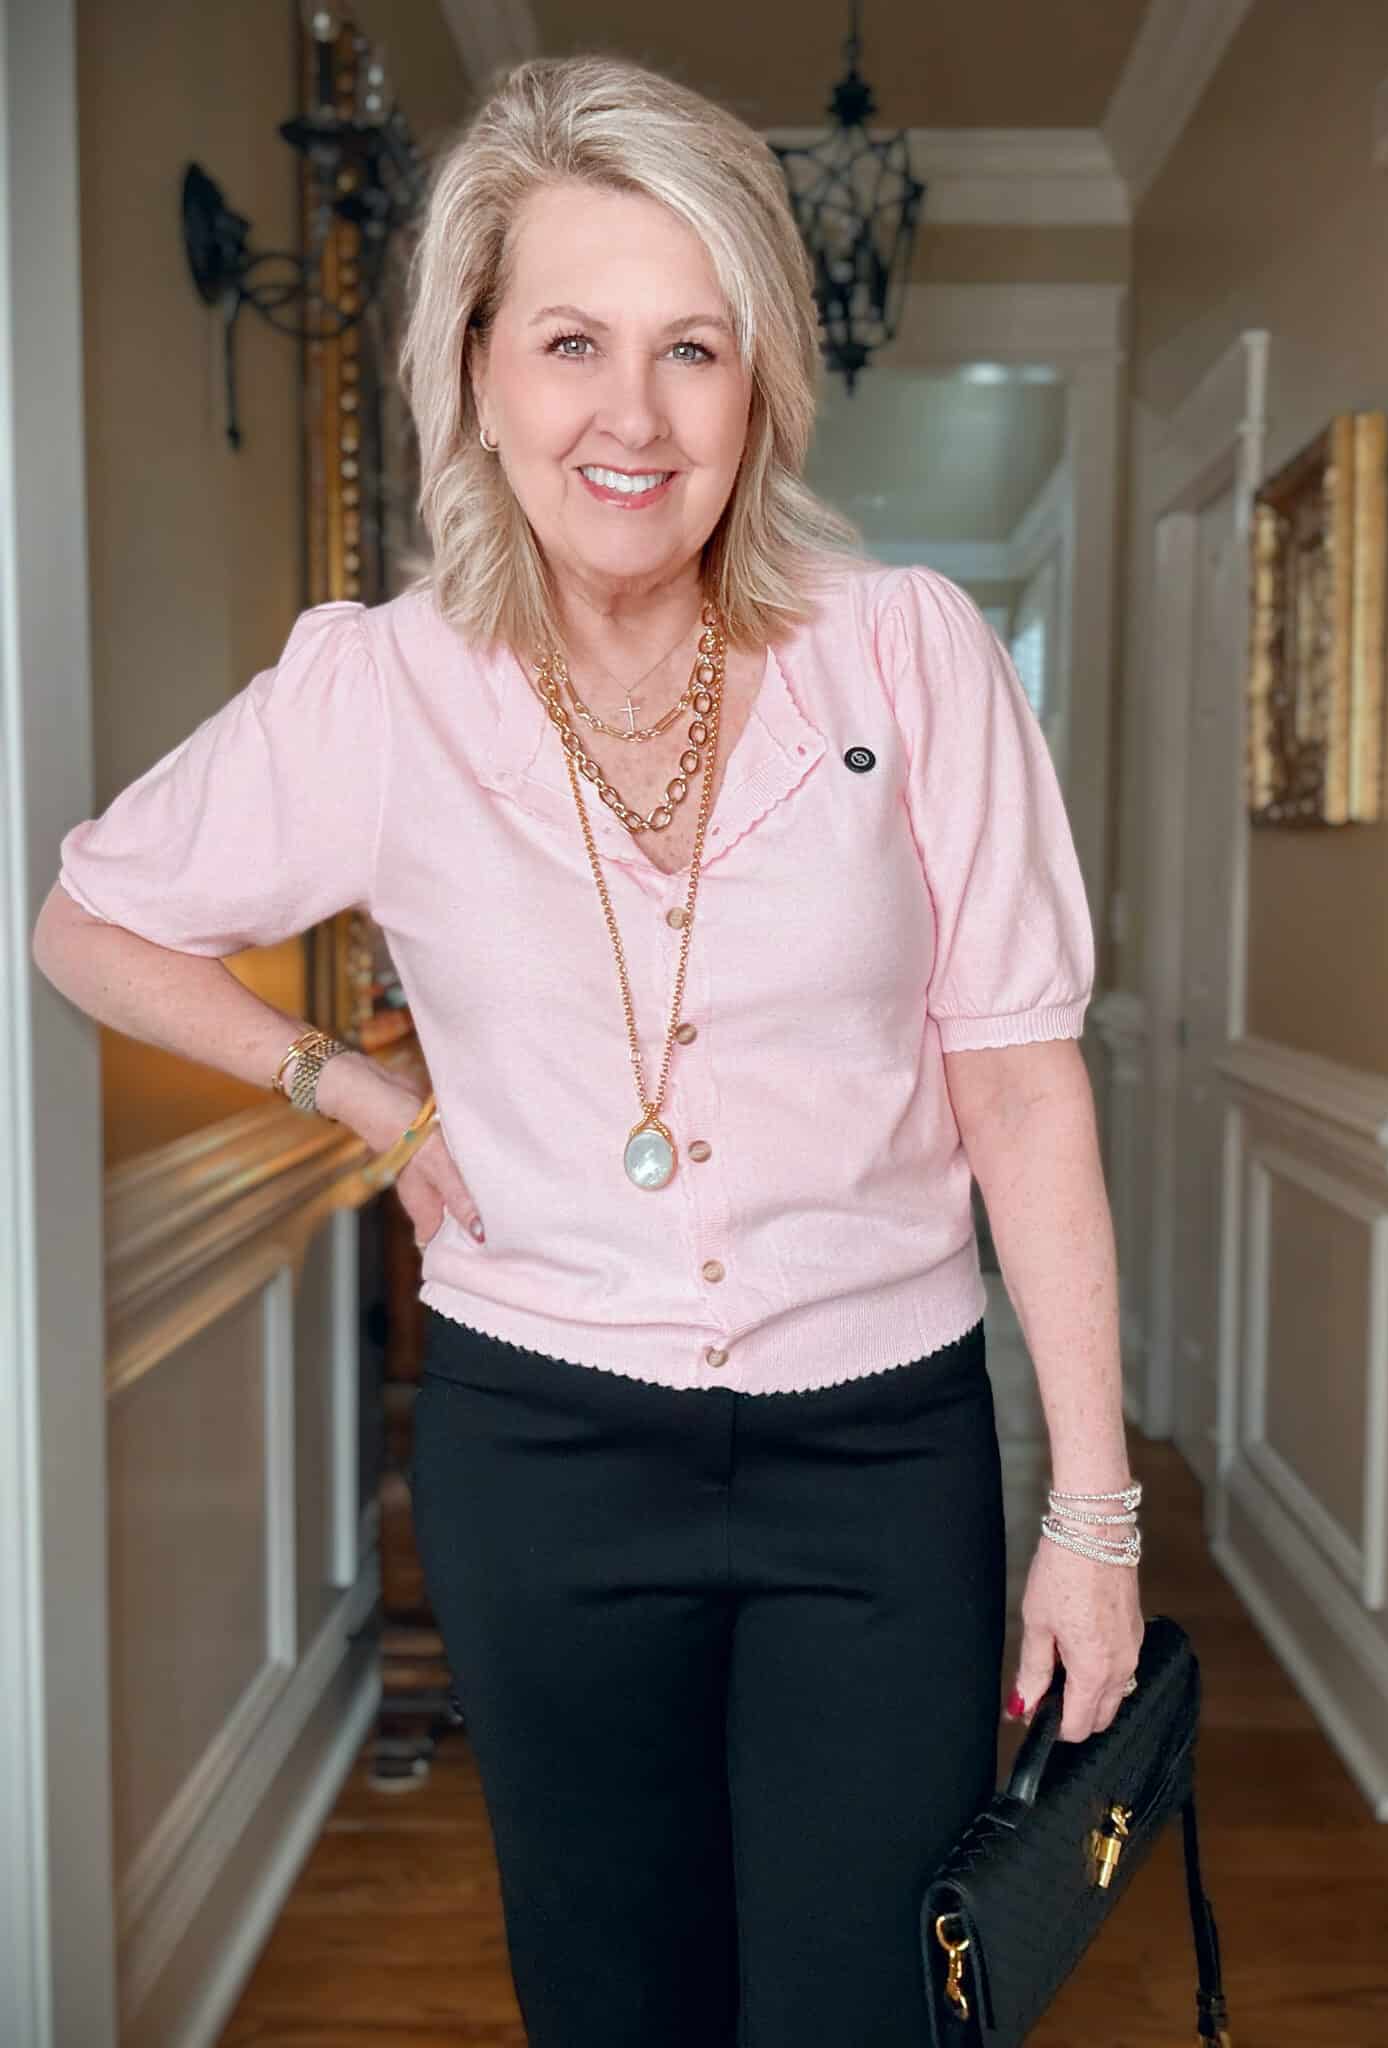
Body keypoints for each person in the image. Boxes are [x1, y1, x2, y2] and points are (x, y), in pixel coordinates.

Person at [32, 52, 1143, 2048]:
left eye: (690, 349)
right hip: (543, 1450)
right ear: (476, 370)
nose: (628, 416)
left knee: (869, 2004)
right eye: (569, 341)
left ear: (761, 389)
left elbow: (1019, 1075)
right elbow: (84, 917)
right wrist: (347, 1085)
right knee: (609, 1993)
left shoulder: (910, 654)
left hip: (880, 1461)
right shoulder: (378, 691)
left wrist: (1094, 1516)